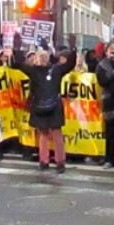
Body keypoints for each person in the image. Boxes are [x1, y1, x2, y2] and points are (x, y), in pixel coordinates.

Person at [13, 35, 76, 173]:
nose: (43, 59)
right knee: (43, 135)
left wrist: (73, 48)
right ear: (36, 59)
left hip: (53, 106)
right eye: (40, 57)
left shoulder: (56, 70)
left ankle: (60, 162)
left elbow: (70, 65)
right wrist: (17, 48)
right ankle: (44, 161)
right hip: (40, 106)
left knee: (57, 134)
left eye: (45, 56)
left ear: (49, 58)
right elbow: (17, 64)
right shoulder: (33, 71)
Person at [96, 42, 114, 169]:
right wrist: (113, 72)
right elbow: (102, 81)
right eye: (111, 49)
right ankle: (110, 159)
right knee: (111, 132)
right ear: (106, 52)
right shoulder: (102, 66)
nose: (113, 51)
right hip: (110, 101)